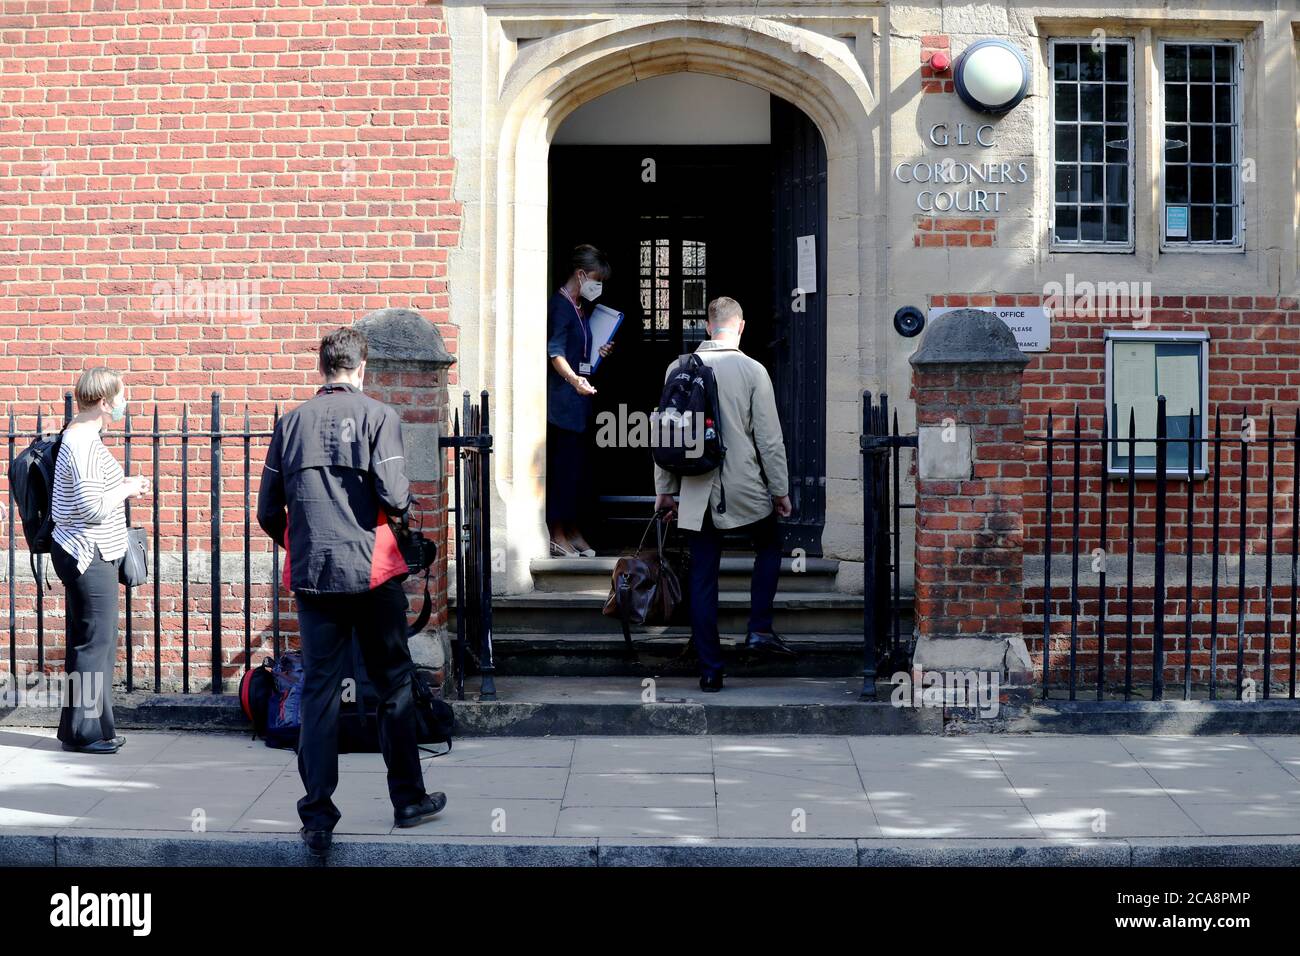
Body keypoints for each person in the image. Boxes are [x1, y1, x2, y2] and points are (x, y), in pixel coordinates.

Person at [257, 328, 444, 860]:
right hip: (373, 572)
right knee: (394, 686)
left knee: (318, 694)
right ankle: (408, 799)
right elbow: (394, 494)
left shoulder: (290, 424)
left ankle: (317, 818)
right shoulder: (378, 416)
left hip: (315, 575)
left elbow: (268, 510)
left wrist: (303, 541)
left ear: (322, 368)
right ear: (362, 368)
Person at [654, 297, 794, 692]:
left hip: (696, 489)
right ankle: (759, 629)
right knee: (768, 546)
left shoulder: (678, 367)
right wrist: (779, 489)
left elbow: (665, 432)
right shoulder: (753, 370)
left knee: (702, 577)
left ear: (706, 325)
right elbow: (769, 439)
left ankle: (711, 670)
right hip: (745, 486)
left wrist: (665, 491)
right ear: (741, 327)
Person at [50, 367, 151, 753]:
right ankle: (85, 733)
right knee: (95, 643)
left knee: (91, 642)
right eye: (121, 396)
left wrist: (123, 486)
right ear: (105, 402)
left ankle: (90, 728)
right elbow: (91, 508)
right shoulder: (83, 443)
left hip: (87, 551)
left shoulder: (80, 437)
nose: (125, 403)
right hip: (88, 553)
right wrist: (127, 488)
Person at [546, 243, 615, 557]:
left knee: (577, 471)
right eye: (596, 279)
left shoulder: (580, 307)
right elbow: (555, 352)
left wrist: (597, 352)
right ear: (581, 274)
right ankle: (557, 532)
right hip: (563, 403)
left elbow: (578, 350)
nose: (597, 286)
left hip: (579, 403)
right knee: (563, 470)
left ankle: (572, 530)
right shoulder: (560, 306)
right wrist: (574, 380)